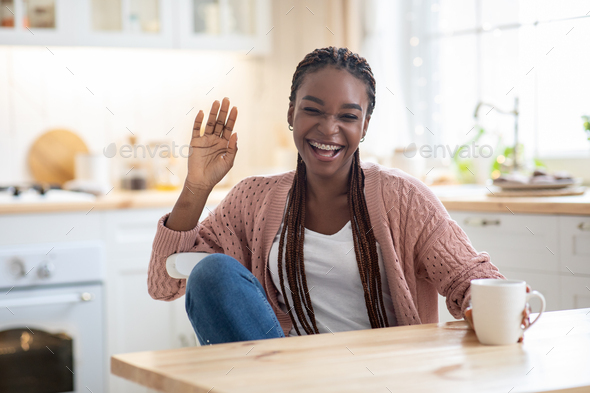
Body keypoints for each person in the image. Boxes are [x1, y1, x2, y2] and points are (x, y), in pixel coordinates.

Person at [147, 46, 529, 346]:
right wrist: (196, 188)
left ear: (364, 126)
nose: (329, 128)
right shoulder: (253, 199)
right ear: (291, 113)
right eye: (312, 110)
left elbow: (468, 276)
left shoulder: (405, 198)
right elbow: (164, 284)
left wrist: (489, 307)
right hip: (285, 376)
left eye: (348, 116)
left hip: (384, 377)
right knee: (212, 272)